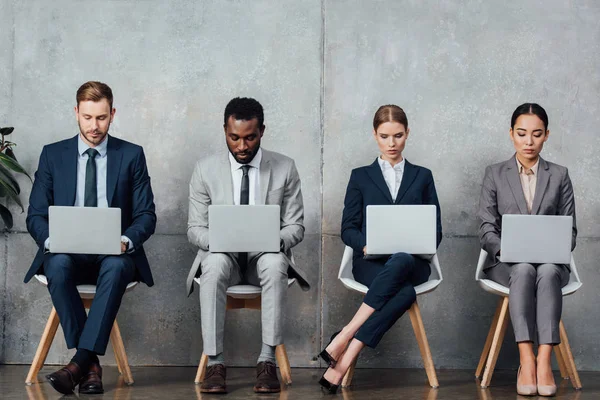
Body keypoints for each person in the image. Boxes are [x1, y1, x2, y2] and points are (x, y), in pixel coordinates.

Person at [25, 81, 157, 395]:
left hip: (113, 255)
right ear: (76, 113)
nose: (94, 126)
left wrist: (124, 241)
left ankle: (79, 363)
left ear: (112, 114)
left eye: (101, 118)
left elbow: (146, 215)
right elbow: (35, 215)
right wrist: (50, 240)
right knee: (55, 265)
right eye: (87, 117)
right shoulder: (53, 155)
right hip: (65, 253)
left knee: (117, 267)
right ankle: (90, 365)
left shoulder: (131, 155)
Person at [186, 97, 310, 394]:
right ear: (225, 132)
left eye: (250, 137)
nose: (242, 146)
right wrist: (219, 240)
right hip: (223, 256)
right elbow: (195, 229)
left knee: (276, 261)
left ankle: (267, 362)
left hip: (263, 258)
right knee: (213, 264)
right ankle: (215, 363)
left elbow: (296, 225)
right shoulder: (205, 170)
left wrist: (277, 239)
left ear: (262, 131)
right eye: (234, 138)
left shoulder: (284, 167)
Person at [318, 104, 442, 394]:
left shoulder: (423, 176)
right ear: (375, 135)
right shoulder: (360, 176)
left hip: (413, 262)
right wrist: (365, 244)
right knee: (404, 292)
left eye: (398, 136)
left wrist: (418, 244)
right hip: (371, 263)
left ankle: (346, 336)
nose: (391, 144)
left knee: (401, 260)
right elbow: (347, 227)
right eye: (385, 136)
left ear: (407, 134)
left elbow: (435, 230)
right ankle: (347, 355)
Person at [478, 103, 576, 397]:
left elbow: (570, 230)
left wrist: (553, 249)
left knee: (545, 272)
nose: (528, 141)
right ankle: (526, 359)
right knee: (522, 269)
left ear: (546, 135)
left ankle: (544, 360)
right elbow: (485, 227)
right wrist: (506, 249)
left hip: (550, 262)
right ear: (511, 134)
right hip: (507, 262)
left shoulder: (559, 175)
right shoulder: (495, 173)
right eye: (522, 134)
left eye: (536, 134)